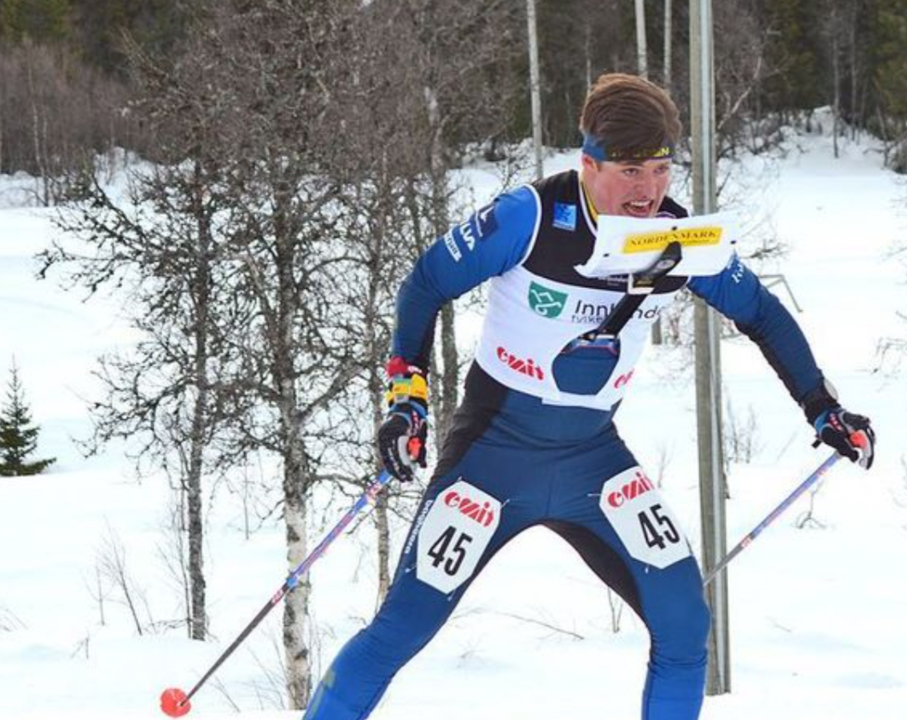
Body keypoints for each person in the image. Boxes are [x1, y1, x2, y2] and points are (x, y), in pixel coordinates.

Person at [302, 73, 875, 720]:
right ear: (589, 165)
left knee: (686, 626)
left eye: (661, 169)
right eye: (631, 171)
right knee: (400, 630)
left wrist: (821, 407)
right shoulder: (530, 218)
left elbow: (762, 313)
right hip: (492, 459)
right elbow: (426, 284)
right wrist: (408, 398)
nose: (650, 190)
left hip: (592, 463)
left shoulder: (679, 241)